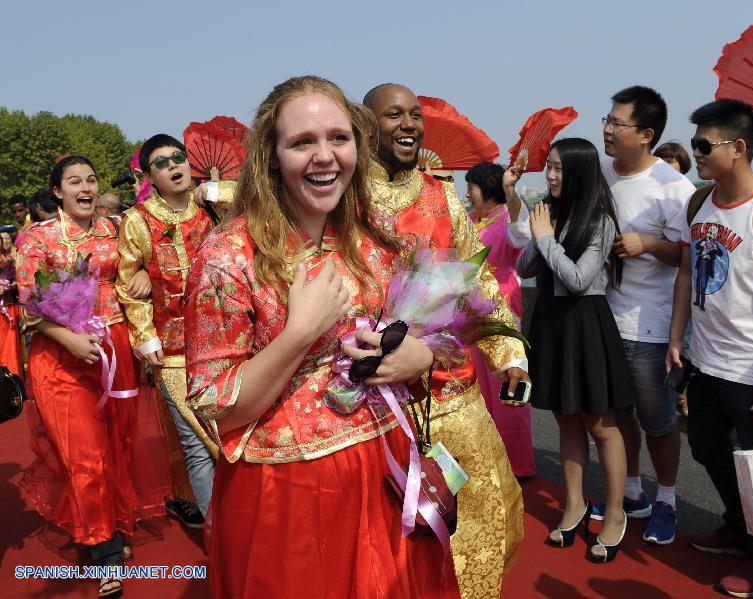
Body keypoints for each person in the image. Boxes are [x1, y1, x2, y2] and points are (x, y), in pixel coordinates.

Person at [183, 75, 459, 599]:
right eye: (302, 142)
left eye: (338, 138)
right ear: (271, 155)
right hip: (289, 494)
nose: (325, 156)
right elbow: (218, 405)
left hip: (387, 469)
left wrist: (418, 355)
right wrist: (299, 334)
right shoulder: (227, 257)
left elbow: (424, 332)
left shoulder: (372, 236)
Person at [364, 83, 525, 599]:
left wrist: (509, 354)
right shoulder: (342, 197)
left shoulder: (440, 196)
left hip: (454, 395)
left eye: (415, 115)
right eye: (394, 115)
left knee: (482, 518)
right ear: (366, 125)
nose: (409, 124)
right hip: (375, 402)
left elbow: (476, 281)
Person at [667, 99, 753, 598]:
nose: (697, 153)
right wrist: (675, 337)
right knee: (706, 447)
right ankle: (737, 524)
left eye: (705, 146)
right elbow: (687, 272)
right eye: (697, 145)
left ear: (739, 147)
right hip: (705, 360)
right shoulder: (699, 202)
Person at [16, 155, 170, 598]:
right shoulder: (36, 240)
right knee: (84, 453)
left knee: (117, 445)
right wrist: (66, 338)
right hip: (63, 358)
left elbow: (148, 259)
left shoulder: (117, 229)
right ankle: (104, 549)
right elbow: (29, 308)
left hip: (116, 347)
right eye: (74, 182)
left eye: (91, 180)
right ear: (58, 192)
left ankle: (111, 522)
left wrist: (141, 270)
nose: (85, 187)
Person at [516, 137, 633, 563]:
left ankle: (615, 513)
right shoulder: (549, 212)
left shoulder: (600, 219)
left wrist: (547, 240)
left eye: (559, 169)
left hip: (585, 323)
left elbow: (580, 279)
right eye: (548, 167)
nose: (550, 175)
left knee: (601, 425)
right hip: (552, 323)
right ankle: (574, 505)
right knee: (567, 421)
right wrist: (537, 232)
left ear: (581, 172)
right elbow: (523, 267)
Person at [116, 133, 232, 527]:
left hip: (228, 343)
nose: (173, 167)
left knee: (235, 438)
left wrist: (213, 190)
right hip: (173, 351)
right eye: (161, 163)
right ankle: (216, 535)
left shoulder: (211, 207)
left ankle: (244, 524)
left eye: (178, 158)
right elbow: (127, 283)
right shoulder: (137, 220)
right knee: (197, 445)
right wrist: (144, 335)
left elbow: (257, 199)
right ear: (150, 176)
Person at [597, 86, 695, 545]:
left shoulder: (673, 188)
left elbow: (686, 259)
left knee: (657, 419)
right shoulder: (598, 171)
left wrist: (649, 243)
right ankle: (632, 491)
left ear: (647, 134)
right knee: (616, 415)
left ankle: (668, 498)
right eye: (607, 120)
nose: (608, 129)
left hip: (649, 323)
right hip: (602, 316)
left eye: (619, 123)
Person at [467, 161, 535, 478]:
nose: (468, 195)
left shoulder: (507, 220)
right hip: (471, 317)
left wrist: (511, 192)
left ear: (490, 192)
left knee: (510, 388)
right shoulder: (470, 220)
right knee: (479, 388)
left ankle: (518, 464)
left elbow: (522, 233)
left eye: (472, 189)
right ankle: (489, 458)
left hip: (504, 313)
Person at [0, 231, 21, 376]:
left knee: (12, 344)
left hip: (11, 305)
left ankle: (13, 376)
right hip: (4, 306)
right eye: (3, 239)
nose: (5, 241)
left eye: (8, 238)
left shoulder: (13, 257)